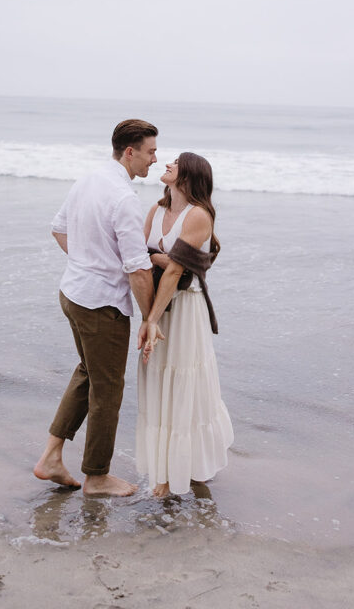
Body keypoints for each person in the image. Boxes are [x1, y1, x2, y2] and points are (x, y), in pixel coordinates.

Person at [34, 119, 158, 497]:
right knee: (107, 389)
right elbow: (138, 270)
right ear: (130, 151)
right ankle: (97, 476)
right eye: (151, 152)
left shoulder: (89, 178)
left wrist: (86, 262)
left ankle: (51, 458)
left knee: (88, 373)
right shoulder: (124, 199)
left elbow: (58, 228)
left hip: (72, 293)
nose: (155, 160)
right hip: (101, 305)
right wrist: (150, 318)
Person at [136, 152, 233, 497]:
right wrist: (150, 315)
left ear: (189, 175)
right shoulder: (155, 211)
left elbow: (176, 270)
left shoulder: (198, 216)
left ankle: (183, 470)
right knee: (157, 383)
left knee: (183, 384)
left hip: (183, 313)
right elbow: (139, 259)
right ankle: (164, 470)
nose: (165, 164)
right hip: (158, 308)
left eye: (175, 163)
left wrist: (151, 319)